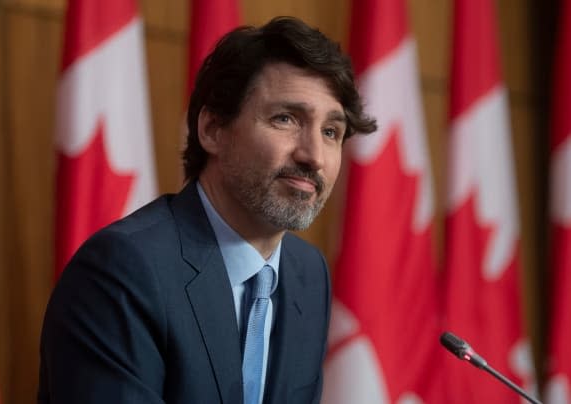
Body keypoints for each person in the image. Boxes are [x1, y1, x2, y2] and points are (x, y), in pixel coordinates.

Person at [38, 16, 376, 404]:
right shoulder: (123, 271)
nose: (314, 155)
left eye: (330, 132)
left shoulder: (307, 273)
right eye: (286, 119)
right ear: (213, 129)